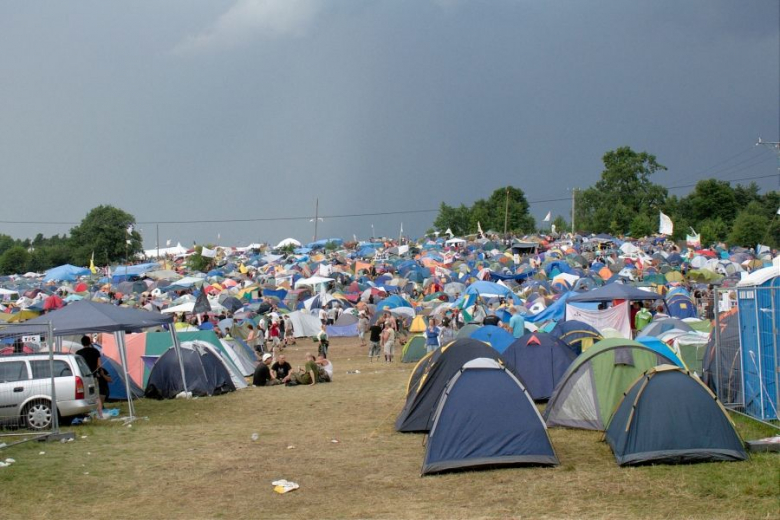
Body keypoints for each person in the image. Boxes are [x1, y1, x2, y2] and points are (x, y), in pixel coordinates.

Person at [76, 335, 109, 419]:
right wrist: (99, 371)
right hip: (93, 376)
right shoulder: (95, 351)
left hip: (83, 377)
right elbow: (99, 364)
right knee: (96, 396)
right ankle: (100, 414)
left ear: (82, 343)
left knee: (84, 396)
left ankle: (85, 415)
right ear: (90, 342)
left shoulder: (78, 353)